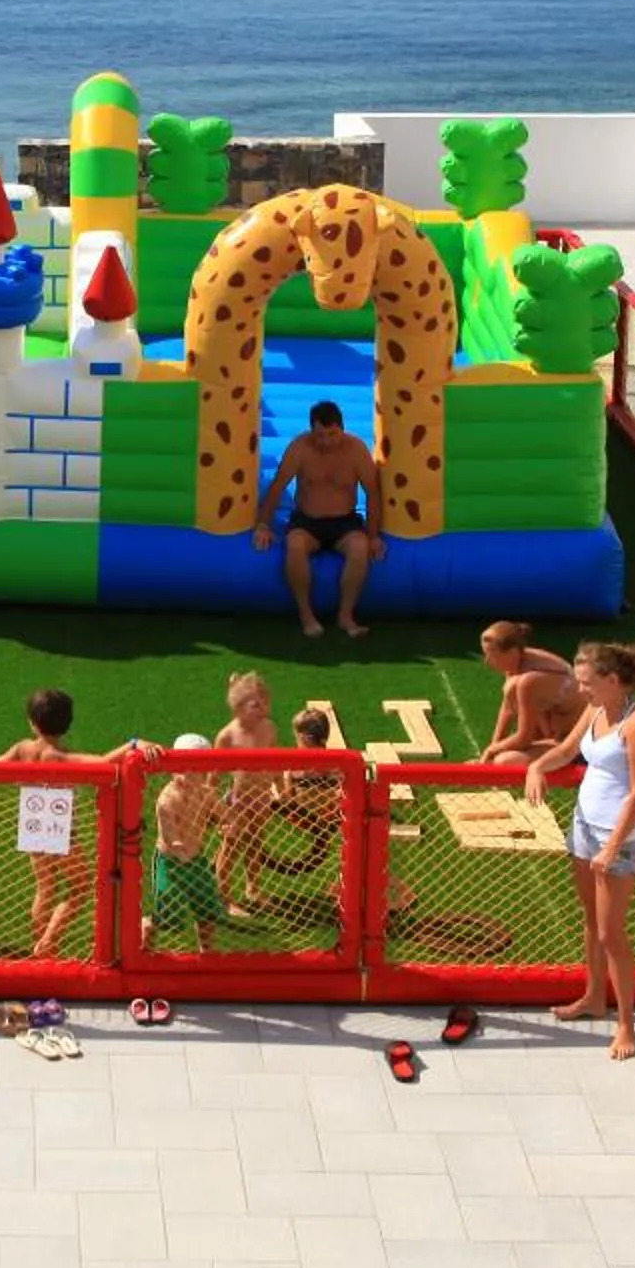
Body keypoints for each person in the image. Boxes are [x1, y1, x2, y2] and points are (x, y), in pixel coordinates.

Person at [523, 640, 635, 1060]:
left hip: (614, 839)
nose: (580, 690)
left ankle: (626, 1025)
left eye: (587, 682)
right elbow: (566, 751)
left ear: (613, 680)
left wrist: (612, 848)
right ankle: (593, 997)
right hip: (583, 828)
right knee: (590, 921)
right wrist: (534, 766)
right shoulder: (596, 710)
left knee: (611, 933)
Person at [0, 689, 118, 958]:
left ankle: (42, 947)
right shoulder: (58, 756)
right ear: (67, 723)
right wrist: (132, 744)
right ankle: (48, 942)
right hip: (58, 828)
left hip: (31, 823)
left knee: (45, 885)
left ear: (32, 722)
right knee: (82, 885)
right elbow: (104, 763)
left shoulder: (22, 748)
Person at [250, 400, 382, 637]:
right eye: (320, 435)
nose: (326, 441)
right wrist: (262, 524)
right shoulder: (300, 448)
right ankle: (306, 616)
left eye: (332, 434)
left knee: (360, 547)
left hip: (344, 522)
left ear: (342, 428)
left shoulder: (356, 450)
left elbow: (372, 492)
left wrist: (373, 536)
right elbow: (278, 485)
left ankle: (345, 615)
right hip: (307, 521)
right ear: (312, 431)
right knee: (295, 544)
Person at [212, 671, 288, 920]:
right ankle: (223, 896)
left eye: (265, 702)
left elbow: (275, 761)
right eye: (256, 704)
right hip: (237, 802)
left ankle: (253, 889)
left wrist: (281, 787)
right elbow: (215, 775)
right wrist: (213, 807)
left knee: (255, 843)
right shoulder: (228, 736)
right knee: (231, 847)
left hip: (261, 798)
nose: (263, 708)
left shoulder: (268, 728)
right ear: (238, 707)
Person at [144, 734, 226, 954]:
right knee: (166, 915)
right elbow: (169, 834)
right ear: (174, 768)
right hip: (170, 862)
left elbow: (222, 814)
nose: (191, 773)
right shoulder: (167, 799)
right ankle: (145, 947)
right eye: (185, 767)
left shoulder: (205, 793)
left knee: (208, 910)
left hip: (196, 861)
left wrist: (226, 824)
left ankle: (207, 951)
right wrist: (178, 845)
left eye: (198, 769)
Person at [476, 621, 579, 765]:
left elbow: (524, 738)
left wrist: (492, 751)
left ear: (511, 652)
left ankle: (579, 760)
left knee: (503, 761)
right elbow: (507, 708)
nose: (487, 661)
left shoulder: (528, 681)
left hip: (572, 740)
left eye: (492, 655)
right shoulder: (519, 661)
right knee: (501, 755)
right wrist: (490, 752)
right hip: (551, 729)